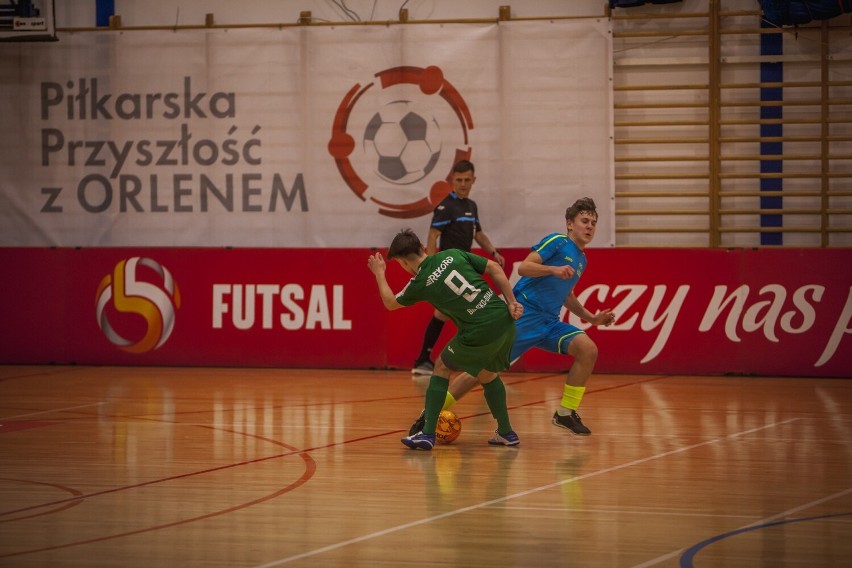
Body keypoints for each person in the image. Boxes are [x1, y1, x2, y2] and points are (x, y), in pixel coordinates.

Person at [408, 197, 615, 437]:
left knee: (587, 350)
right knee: (479, 373)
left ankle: (566, 413)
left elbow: (566, 294)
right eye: (584, 221)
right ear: (570, 224)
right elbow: (524, 268)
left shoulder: (582, 259)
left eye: (593, 223)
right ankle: (429, 414)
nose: (589, 226)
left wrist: (592, 318)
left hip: (549, 322)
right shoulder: (557, 242)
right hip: (523, 316)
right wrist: (553, 269)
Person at [368, 229, 523, 450]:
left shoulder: (419, 282)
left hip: (479, 329)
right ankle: (506, 432)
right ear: (423, 247)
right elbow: (495, 268)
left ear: (403, 263)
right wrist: (511, 301)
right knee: (487, 373)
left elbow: (391, 303)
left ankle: (427, 434)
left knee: (441, 366)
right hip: (503, 319)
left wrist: (379, 273)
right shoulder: (453, 254)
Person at [411, 159, 505, 376]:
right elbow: (433, 235)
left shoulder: (471, 206)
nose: (463, 184)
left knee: (444, 314)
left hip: (465, 266)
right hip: (449, 269)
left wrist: (493, 252)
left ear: (474, 180)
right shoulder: (445, 207)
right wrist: (429, 267)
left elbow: (478, 234)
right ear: (452, 180)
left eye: (467, 180)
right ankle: (477, 360)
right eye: (459, 180)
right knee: (470, 310)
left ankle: (423, 359)